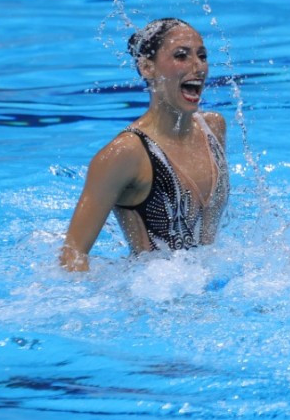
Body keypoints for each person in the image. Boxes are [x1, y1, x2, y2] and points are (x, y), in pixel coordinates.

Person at [59, 18, 229, 271]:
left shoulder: (213, 128)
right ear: (147, 67)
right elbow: (72, 255)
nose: (198, 67)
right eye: (181, 56)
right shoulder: (126, 153)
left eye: (202, 56)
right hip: (154, 299)